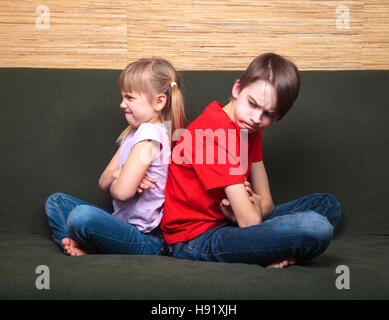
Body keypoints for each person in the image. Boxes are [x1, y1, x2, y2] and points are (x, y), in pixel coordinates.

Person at [160, 52, 342, 268]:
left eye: (269, 115)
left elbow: (267, 202)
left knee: (327, 205)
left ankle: (272, 250)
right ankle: (272, 251)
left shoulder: (248, 128)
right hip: (194, 239)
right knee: (316, 227)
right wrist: (251, 210)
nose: (256, 119)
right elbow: (250, 222)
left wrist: (252, 206)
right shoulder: (213, 132)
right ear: (237, 89)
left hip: (232, 222)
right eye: (252, 104)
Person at [45, 58, 186, 256]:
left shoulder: (151, 135)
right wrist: (121, 173)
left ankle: (80, 245)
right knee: (57, 201)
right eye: (122, 97)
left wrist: (123, 179)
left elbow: (121, 193)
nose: (122, 104)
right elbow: (104, 180)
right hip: (121, 225)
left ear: (159, 102)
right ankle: (75, 244)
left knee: (82, 216)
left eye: (129, 98)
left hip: (146, 239)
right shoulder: (133, 133)